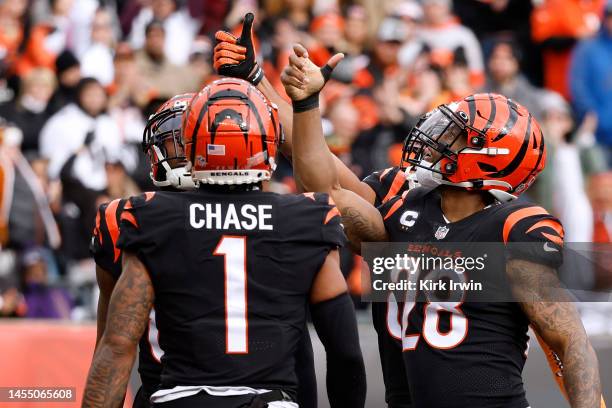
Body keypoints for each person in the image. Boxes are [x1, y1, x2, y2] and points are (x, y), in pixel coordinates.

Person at [280, 43, 603, 407]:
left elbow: (568, 339)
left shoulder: (513, 229)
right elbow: (323, 187)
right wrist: (291, 96)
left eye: (457, 135)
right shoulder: (405, 205)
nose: (439, 140)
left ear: (488, 156)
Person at [83, 78, 367, 408]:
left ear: (191, 146)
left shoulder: (145, 219)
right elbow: (345, 351)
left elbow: (115, 345)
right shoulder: (306, 217)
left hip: (176, 397)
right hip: (274, 398)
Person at [90, 93, 197, 408]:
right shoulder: (280, 214)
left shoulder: (125, 217)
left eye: (192, 140)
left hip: (165, 395)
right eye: (179, 142)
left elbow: (112, 347)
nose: (186, 150)